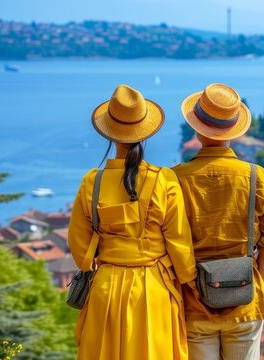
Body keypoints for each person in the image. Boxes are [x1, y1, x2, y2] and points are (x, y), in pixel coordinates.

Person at [68, 84, 197, 360]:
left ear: (110, 134)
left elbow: (80, 248)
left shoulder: (93, 181)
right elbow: (180, 244)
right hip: (153, 288)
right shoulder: (163, 180)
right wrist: (191, 284)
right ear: (145, 133)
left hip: (106, 287)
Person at [173, 83, 264, 360]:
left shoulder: (174, 178)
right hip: (245, 301)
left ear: (197, 130)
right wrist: (252, 285)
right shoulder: (256, 176)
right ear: (234, 132)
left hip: (194, 303)